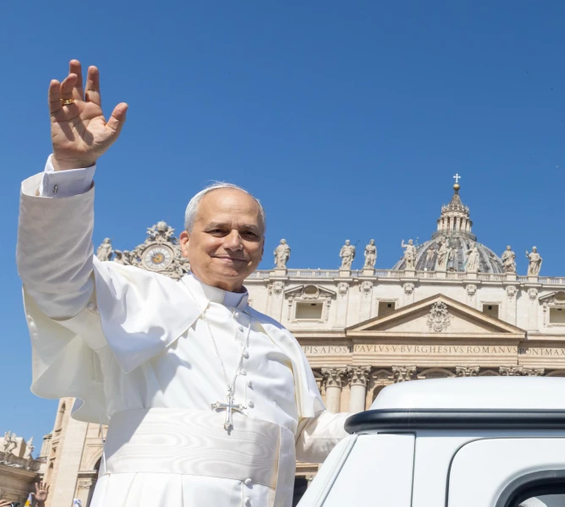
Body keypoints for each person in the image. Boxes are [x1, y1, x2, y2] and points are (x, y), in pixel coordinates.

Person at [17, 60, 348, 507]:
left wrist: (403, 414)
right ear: (186, 241)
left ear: (263, 247)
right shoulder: (137, 295)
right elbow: (53, 279)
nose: (234, 243)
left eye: (248, 234)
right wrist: (71, 167)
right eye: (218, 230)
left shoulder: (279, 338)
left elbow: (304, 435)